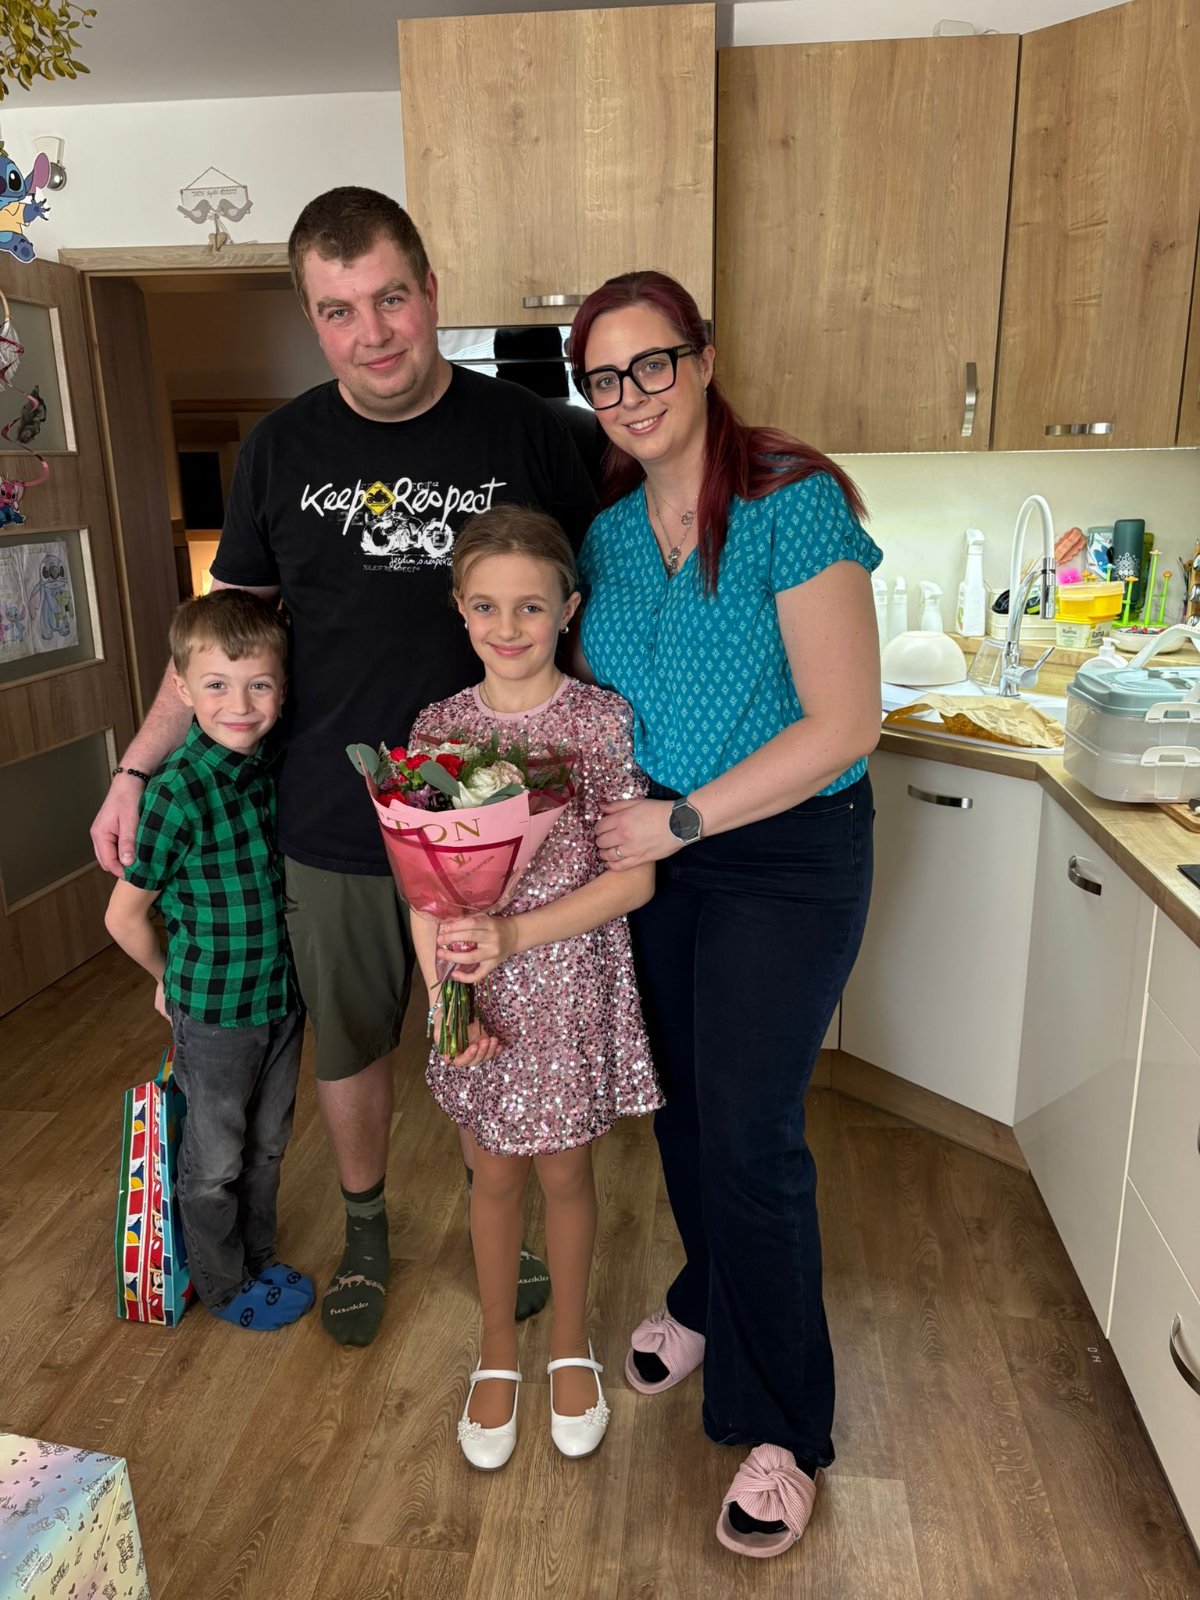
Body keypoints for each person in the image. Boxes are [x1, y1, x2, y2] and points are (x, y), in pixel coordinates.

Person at [90, 187, 597, 1348]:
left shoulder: (530, 430)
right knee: (354, 1042)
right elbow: (222, 639)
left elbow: (589, 609)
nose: (372, 333)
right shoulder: (280, 449)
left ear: (430, 291)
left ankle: (499, 1217)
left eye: (391, 299)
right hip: (329, 815)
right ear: (312, 318)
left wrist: (599, 775)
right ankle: (367, 1229)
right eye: (338, 310)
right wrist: (134, 769)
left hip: (493, 824)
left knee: (488, 1030)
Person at [566, 271, 883, 1558]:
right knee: (685, 1106)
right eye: (604, 377)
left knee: (752, 1135)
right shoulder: (605, 536)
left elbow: (846, 722)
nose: (632, 393)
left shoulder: (790, 504)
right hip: (663, 856)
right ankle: (707, 1292)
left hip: (786, 854)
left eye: (653, 363)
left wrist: (684, 820)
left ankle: (782, 1423)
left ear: (702, 360)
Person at [406, 505, 660, 1469]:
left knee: (563, 1173)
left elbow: (632, 880)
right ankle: (497, 1352)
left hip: (567, 978)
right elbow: (422, 884)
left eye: (530, 606)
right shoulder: (438, 728)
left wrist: (515, 933)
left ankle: (568, 1345)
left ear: (569, 609)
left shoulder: (599, 722)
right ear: (458, 610)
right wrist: (446, 999)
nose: (507, 627)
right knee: (493, 1173)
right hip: (477, 992)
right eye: (485, 606)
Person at [104, 590, 311, 1331]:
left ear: (282, 689)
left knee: (268, 1146)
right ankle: (224, 1285)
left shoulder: (273, 768)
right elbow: (123, 916)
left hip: (280, 998)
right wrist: (169, 980)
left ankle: (259, 1257)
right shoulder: (176, 794)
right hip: (216, 1014)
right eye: (217, 685)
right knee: (215, 1160)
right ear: (183, 688)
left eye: (259, 684)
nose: (240, 705)